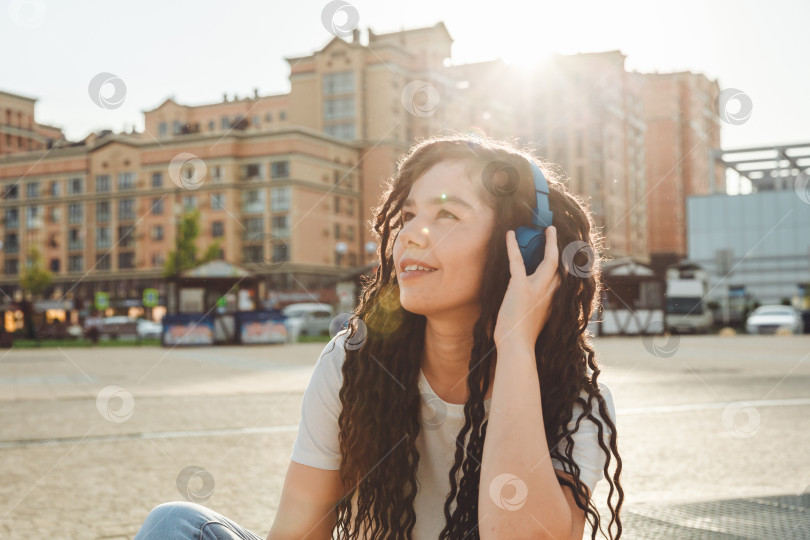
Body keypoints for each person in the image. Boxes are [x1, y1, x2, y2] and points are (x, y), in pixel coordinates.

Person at [134, 135, 624, 539]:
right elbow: (299, 531)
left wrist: (515, 344)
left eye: (446, 216)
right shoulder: (355, 362)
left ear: (525, 250)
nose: (411, 234)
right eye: (408, 215)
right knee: (176, 524)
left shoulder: (575, 398)